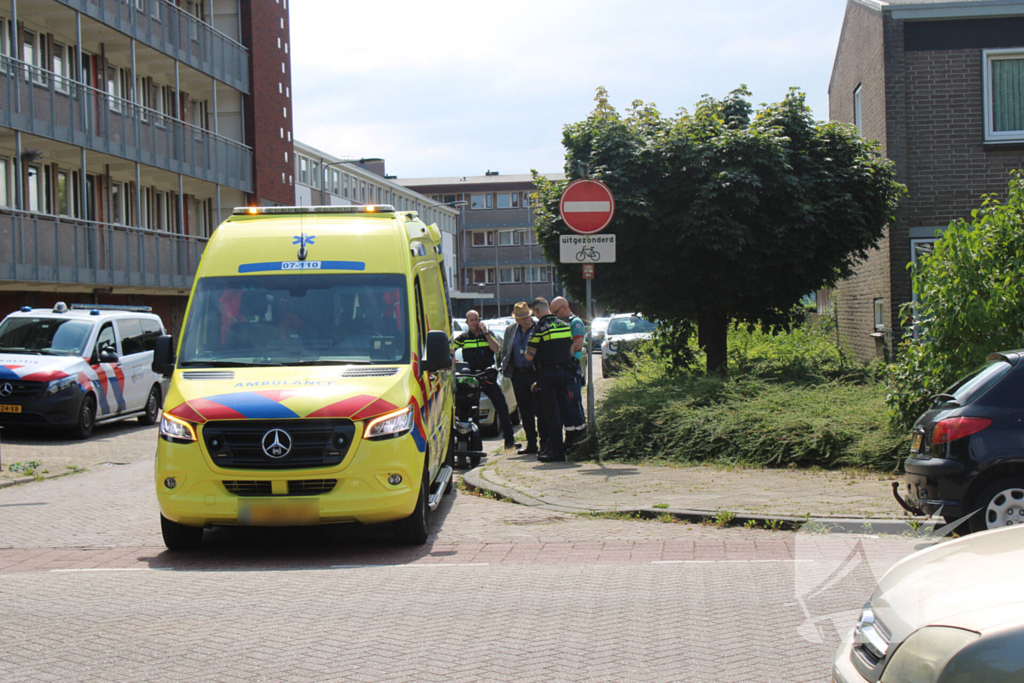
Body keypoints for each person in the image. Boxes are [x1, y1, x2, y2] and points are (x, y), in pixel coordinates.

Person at [452, 310, 517, 449]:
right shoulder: (463, 337)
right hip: (472, 378)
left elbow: (496, 349)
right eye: (472, 320)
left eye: (477, 319)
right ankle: (475, 445)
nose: (475, 323)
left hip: (487, 376)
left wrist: (486, 333)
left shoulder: (487, 335)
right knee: (472, 411)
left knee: (501, 406)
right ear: (467, 322)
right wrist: (458, 363)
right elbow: (449, 351)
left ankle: (510, 440)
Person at [524, 297, 575, 462]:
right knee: (561, 411)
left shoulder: (539, 328)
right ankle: (561, 448)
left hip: (547, 376)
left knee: (551, 414)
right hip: (565, 374)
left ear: (537, 311)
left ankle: (556, 451)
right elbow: (572, 352)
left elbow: (529, 356)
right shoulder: (565, 325)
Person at [500, 302, 545, 455]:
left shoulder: (538, 327)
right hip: (518, 375)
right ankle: (531, 444)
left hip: (535, 373)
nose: (526, 320)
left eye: (527, 316)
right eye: (521, 318)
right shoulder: (510, 330)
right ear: (516, 320)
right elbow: (505, 351)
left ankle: (544, 443)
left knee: (540, 409)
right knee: (525, 411)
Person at [551, 296, 587, 445]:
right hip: (563, 369)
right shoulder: (559, 323)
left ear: (565, 308)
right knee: (565, 405)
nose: (555, 316)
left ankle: (581, 437)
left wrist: (560, 349)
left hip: (572, 369)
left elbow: (578, 345)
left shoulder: (575, 323)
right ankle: (571, 437)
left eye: (556, 312)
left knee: (573, 403)